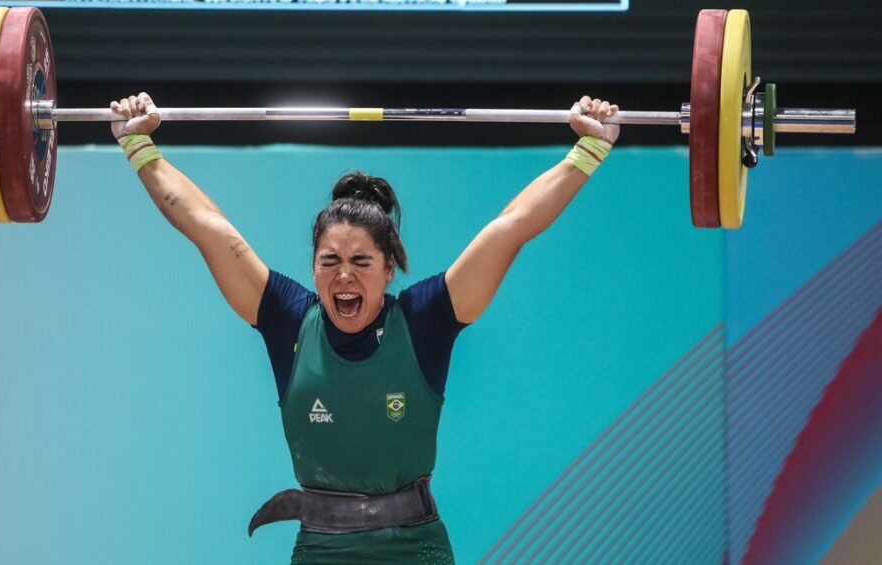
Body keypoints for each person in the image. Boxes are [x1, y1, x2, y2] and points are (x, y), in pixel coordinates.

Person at [110, 93, 620, 563]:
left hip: (415, 548)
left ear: (388, 268)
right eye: (330, 261)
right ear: (313, 268)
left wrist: (588, 150)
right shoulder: (288, 318)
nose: (344, 276)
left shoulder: (424, 320)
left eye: (361, 262)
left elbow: (510, 227)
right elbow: (207, 226)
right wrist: (139, 144)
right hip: (321, 550)